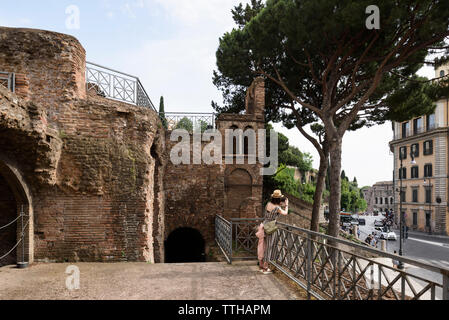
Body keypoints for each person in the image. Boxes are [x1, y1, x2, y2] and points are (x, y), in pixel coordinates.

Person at [256, 190, 288, 274]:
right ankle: (265, 268)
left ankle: (261, 265)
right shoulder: (277, 208)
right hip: (270, 227)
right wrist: (286, 205)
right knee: (269, 247)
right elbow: (285, 213)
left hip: (263, 225)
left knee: (262, 245)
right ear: (279, 199)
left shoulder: (268, 204)